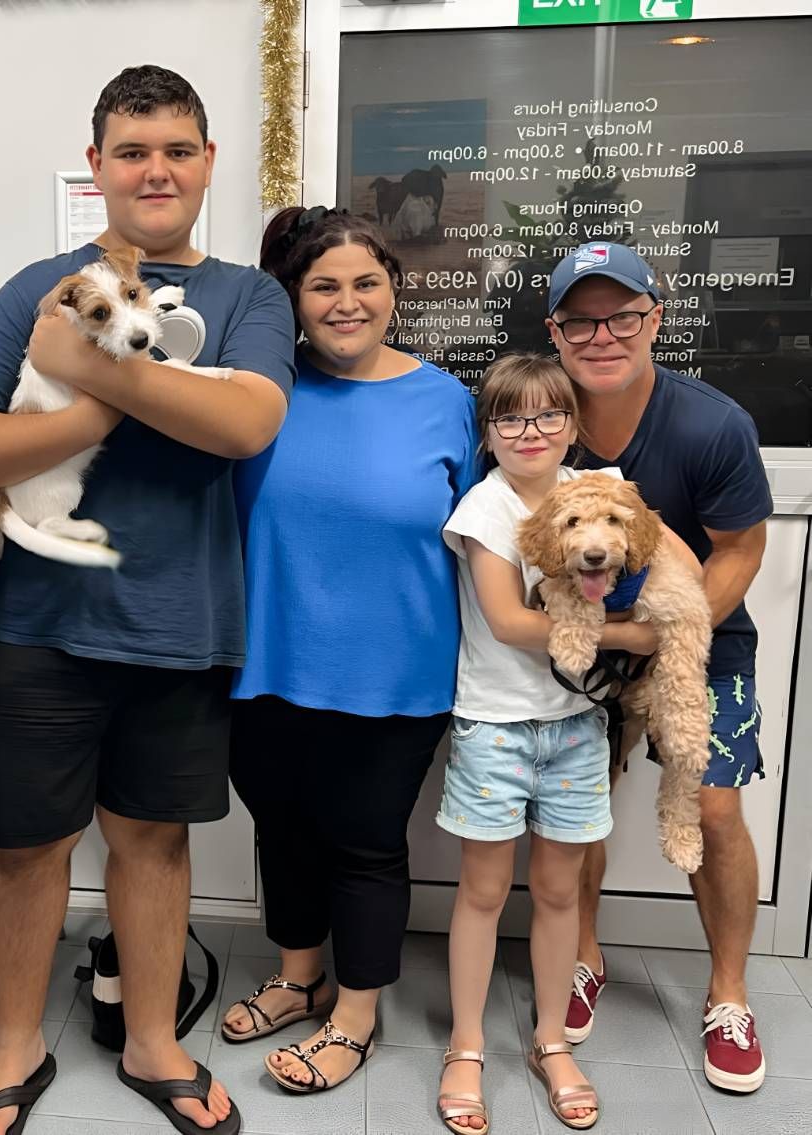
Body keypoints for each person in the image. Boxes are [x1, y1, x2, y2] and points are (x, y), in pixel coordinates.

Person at [0, 65, 294, 1135]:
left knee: (153, 839)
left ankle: (152, 1042)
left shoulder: (249, 298)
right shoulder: (36, 287)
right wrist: (95, 408)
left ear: (208, 161)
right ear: (97, 167)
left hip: (177, 623)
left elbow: (245, 423)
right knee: (28, 844)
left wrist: (79, 363)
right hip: (27, 626)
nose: (154, 170)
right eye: (131, 152)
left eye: (175, 149)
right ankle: (15, 1046)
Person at [220, 206, 477, 1094]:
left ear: (393, 291)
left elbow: (486, 534)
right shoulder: (257, 391)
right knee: (282, 827)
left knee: (365, 840)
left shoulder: (445, 401)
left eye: (366, 282)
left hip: (396, 673)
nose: (346, 302)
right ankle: (300, 977)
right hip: (263, 663)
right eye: (323, 285)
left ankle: (356, 1013)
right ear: (292, 297)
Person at [434, 353, 689, 1133]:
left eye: (549, 414)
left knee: (558, 893)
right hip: (495, 726)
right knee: (482, 892)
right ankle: (466, 1046)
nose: (531, 431)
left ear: (572, 425)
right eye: (510, 418)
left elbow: (663, 552)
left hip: (578, 725)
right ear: (486, 434)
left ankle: (550, 1040)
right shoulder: (484, 508)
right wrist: (629, 636)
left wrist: (669, 617)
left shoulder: (599, 487)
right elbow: (510, 622)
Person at [546, 242, 772, 1094]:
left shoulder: (712, 424)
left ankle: (728, 993)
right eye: (580, 321)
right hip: (584, 634)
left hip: (698, 634)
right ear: (554, 331)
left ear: (656, 319)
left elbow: (739, 551)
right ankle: (581, 955)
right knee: (576, 804)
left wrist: (664, 636)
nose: (601, 336)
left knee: (713, 806)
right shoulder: (536, 416)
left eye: (622, 317)